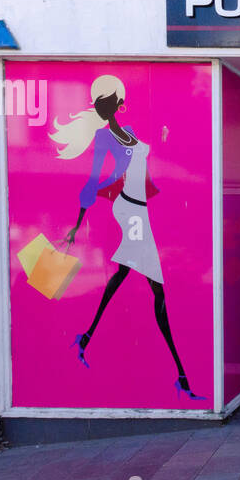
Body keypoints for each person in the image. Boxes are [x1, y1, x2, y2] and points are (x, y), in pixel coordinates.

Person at [58, 74, 203, 400]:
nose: (122, 104)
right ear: (113, 106)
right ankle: (181, 373)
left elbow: (153, 163)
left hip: (141, 210)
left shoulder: (134, 133)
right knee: (158, 290)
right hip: (129, 212)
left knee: (124, 275)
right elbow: (93, 181)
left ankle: (86, 337)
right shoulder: (104, 138)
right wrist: (78, 223)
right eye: (118, 100)